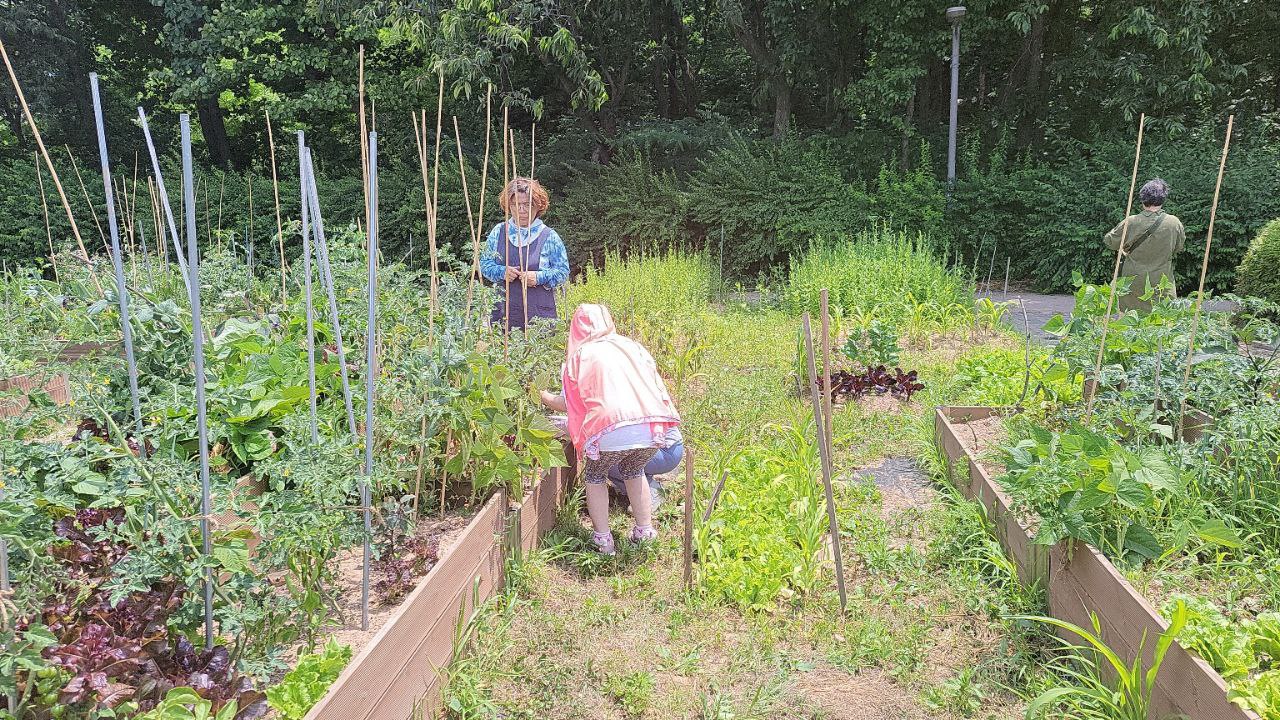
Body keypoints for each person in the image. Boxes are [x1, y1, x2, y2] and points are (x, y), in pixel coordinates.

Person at [556, 304, 682, 555]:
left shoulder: (579, 357)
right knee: (634, 470)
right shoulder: (633, 347)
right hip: (652, 428)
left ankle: (604, 541)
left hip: (611, 429)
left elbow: (574, 406)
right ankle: (645, 532)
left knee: (594, 476)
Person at [542, 392, 684, 513]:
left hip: (663, 450)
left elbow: (596, 420)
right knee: (614, 453)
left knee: (605, 460)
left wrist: (543, 396)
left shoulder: (603, 383)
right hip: (669, 446)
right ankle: (641, 481)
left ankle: (652, 489)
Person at [479, 177, 569, 330]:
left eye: (527, 205)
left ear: (538, 206)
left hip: (539, 318)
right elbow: (485, 265)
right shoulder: (499, 232)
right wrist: (502, 272)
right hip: (504, 313)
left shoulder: (549, 236)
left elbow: (563, 272)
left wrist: (539, 277)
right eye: (515, 205)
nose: (521, 210)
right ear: (508, 206)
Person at [1103, 178, 1186, 312]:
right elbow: (1178, 248)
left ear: (1142, 199)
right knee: (1162, 321)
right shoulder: (1174, 223)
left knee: (1131, 321)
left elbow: (1109, 241)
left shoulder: (1131, 221)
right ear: (1163, 199)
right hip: (1161, 281)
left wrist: (1124, 247)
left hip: (1132, 282)